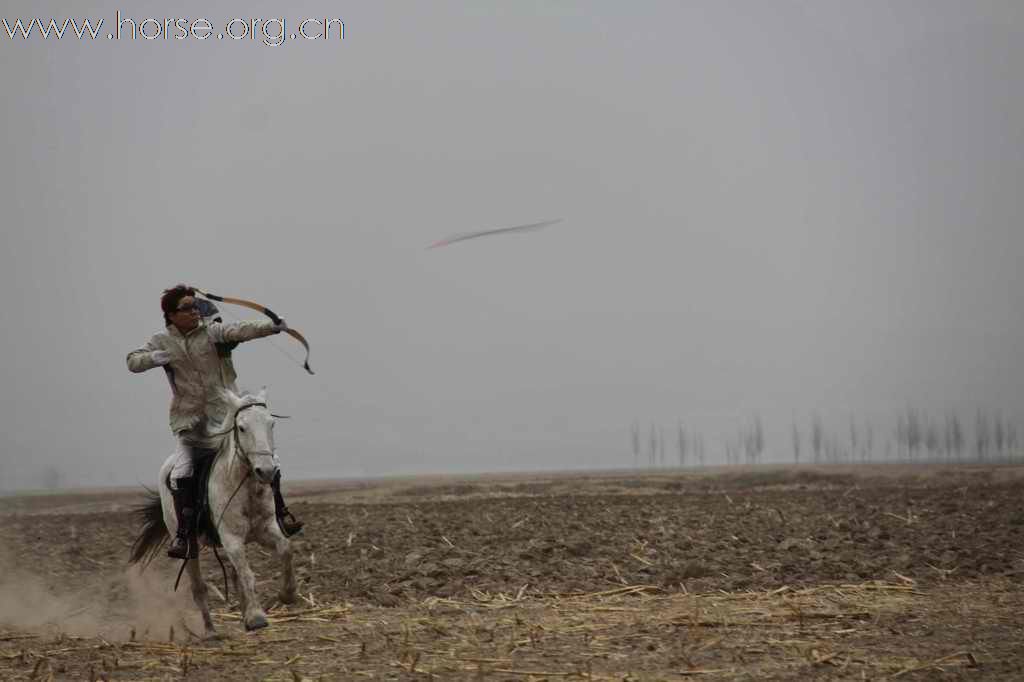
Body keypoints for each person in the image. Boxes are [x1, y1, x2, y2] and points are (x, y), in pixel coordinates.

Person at [127, 284, 304, 559]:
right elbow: (132, 361)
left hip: (226, 416)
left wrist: (271, 327)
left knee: (269, 461)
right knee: (181, 472)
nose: (194, 311)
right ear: (171, 315)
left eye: (195, 306)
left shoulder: (212, 333)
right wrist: (152, 358)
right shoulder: (161, 340)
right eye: (187, 308)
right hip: (190, 421)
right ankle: (184, 536)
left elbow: (240, 330)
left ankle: (280, 515)